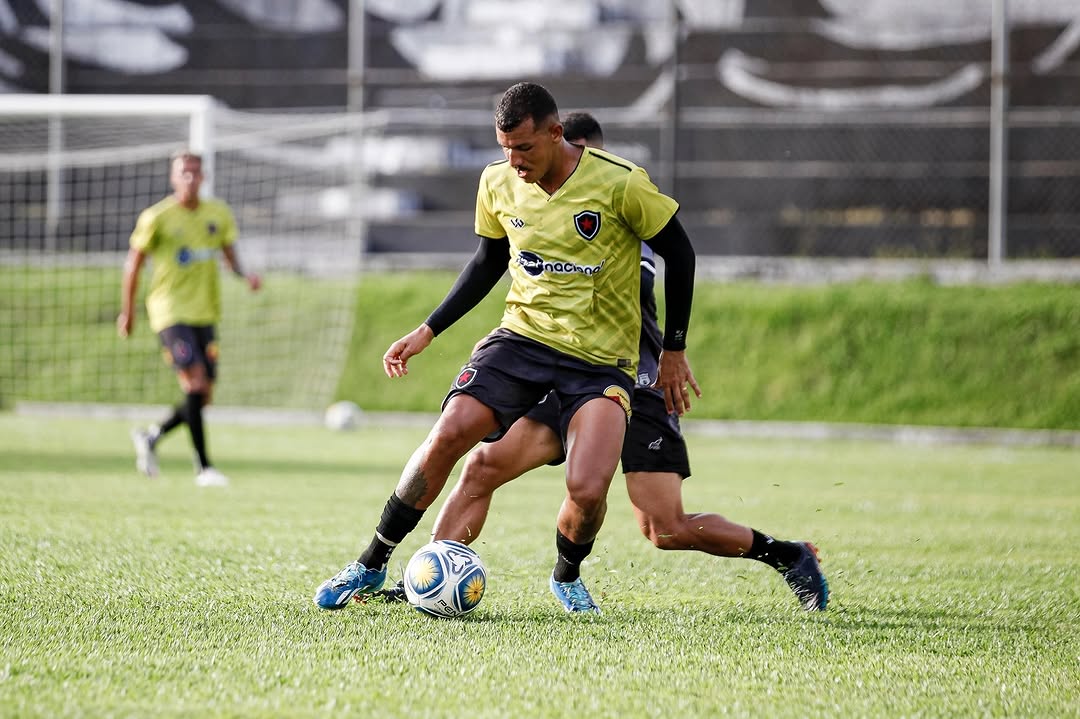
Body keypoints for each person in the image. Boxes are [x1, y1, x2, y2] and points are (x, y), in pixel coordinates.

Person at [314, 82, 698, 614]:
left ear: (556, 133)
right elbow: (487, 262)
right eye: (505, 148)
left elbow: (681, 252)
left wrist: (674, 350)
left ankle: (566, 574)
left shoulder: (621, 183)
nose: (514, 160)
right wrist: (427, 330)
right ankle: (371, 562)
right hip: (522, 339)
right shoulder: (496, 181)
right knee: (448, 435)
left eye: (524, 148)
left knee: (588, 488)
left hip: (600, 361)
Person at [420, 112, 828, 611]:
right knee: (483, 466)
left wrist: (674, 351)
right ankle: (431, 577)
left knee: (665, 528)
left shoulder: (624, 208)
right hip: (562, 370)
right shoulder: (539, 200)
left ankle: (786, 554)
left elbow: (669, 263)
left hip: (635, 379)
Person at [117, 149, 262, 488]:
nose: (190, 178)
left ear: (204, 176)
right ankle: (204, 468)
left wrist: (246, 275)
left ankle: (152, 436)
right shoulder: (157, 217)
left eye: (195, 172)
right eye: (183, 172)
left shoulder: (218, 214)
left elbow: (230, 258)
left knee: (203, 396)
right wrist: (128, 311)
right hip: (169, 310)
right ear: (173, 177)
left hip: (205, 312)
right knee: (195, 384)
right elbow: (133, 265)